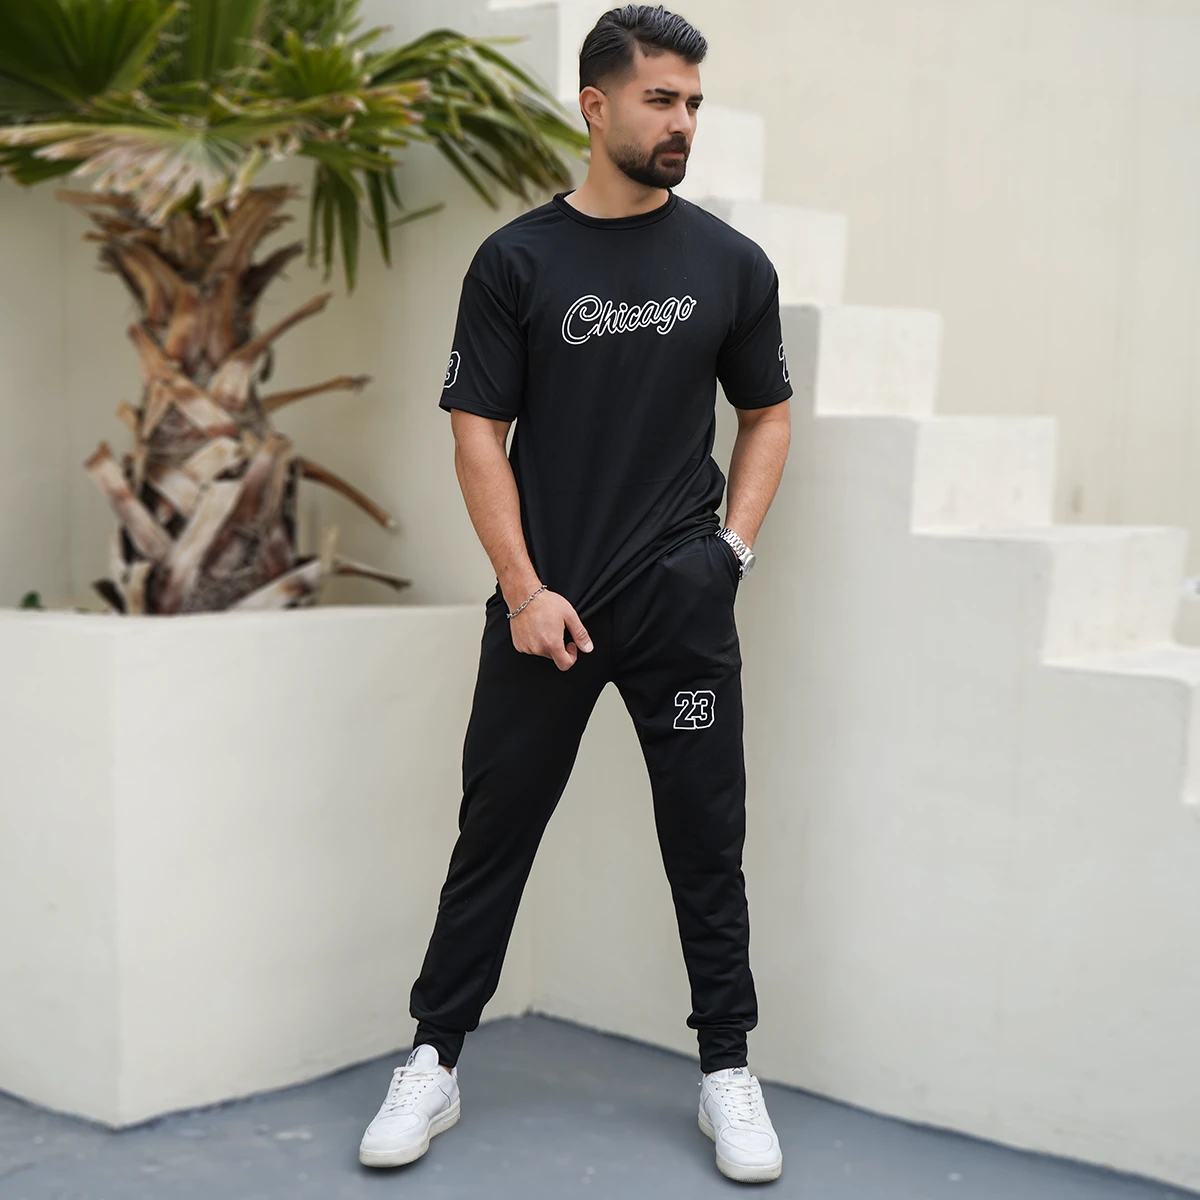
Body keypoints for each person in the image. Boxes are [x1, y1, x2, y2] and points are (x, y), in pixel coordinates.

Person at [359, 2, 791, 1184]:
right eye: (661, 100)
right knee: (494, 834)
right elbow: (477, 434)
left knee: (707, 840)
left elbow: (766, 413)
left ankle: (727, 1070)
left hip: (680, 611)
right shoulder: (518, 262)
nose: (682, 121)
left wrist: (730, 552)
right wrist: (523, 590)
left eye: (693, 102)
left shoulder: (730, 265)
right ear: (596, 107)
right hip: (545, 614)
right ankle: (435, 1059)